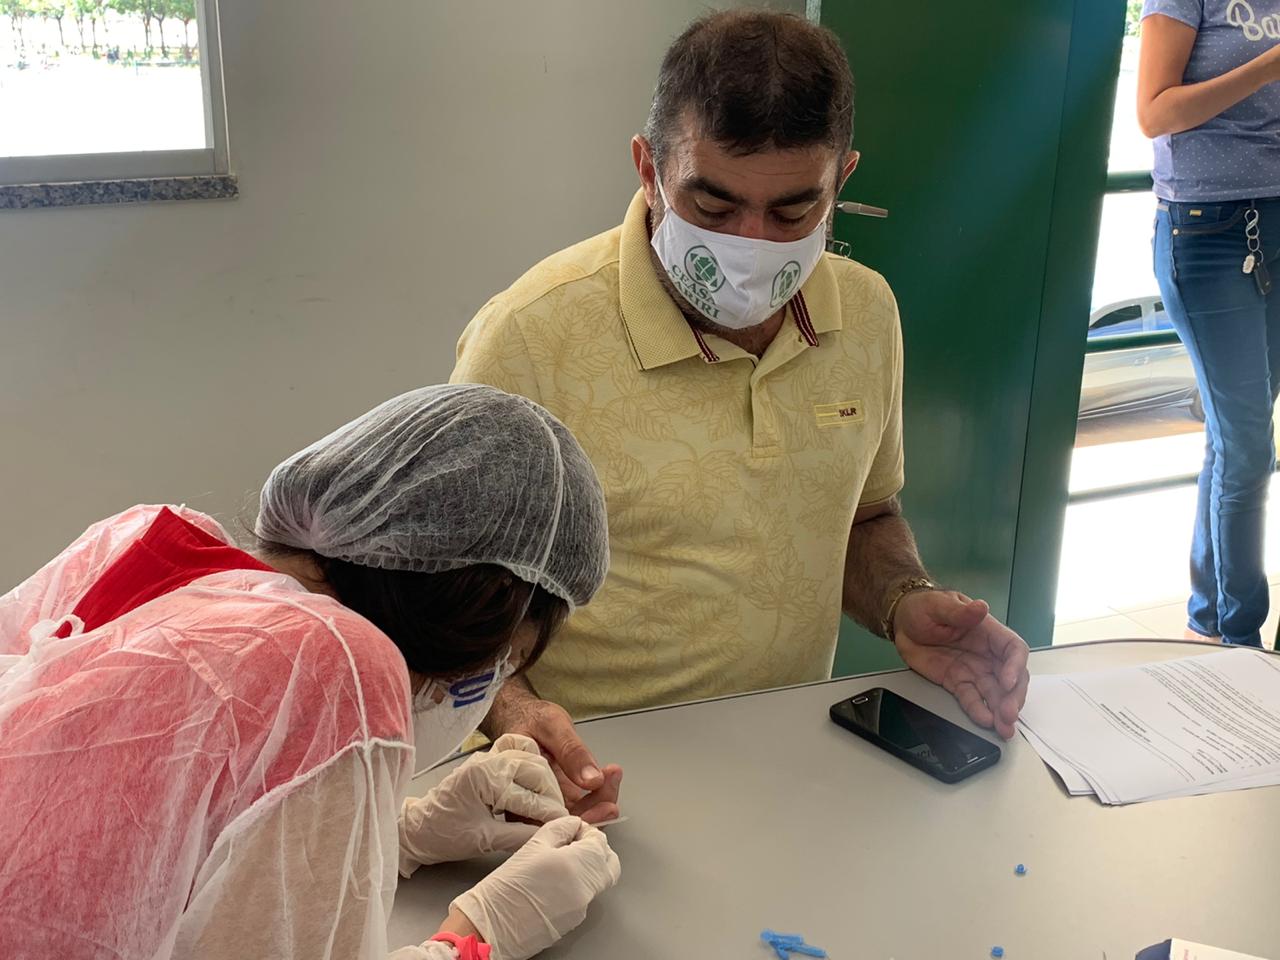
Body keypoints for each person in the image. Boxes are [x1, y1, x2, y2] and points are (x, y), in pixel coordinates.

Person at [450, 10, 1031, 810]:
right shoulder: (529, 338)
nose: (751, 246)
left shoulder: (866, 314)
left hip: (790, 763)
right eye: (714, 207)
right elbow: (438, 600)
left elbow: (863, 515)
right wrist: (514, 715)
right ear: (648, 169)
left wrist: (903, 598)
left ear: (842, 181)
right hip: (584, 781)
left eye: (793, 211)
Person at [0, 384, 620, 960]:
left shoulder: (149, 547)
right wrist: (478, 935)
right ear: (476, 614)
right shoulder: (336, 666)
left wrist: (394, 833)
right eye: (500, 664)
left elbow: (113, 842)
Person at [1139, 1, 1280, 647]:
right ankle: (1240, 640)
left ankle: (1210, 619)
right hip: (1207, 231)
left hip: (1274, 220)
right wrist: (1270, 65)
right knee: (1248, 446)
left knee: (1234, 440)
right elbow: (1154, 113)